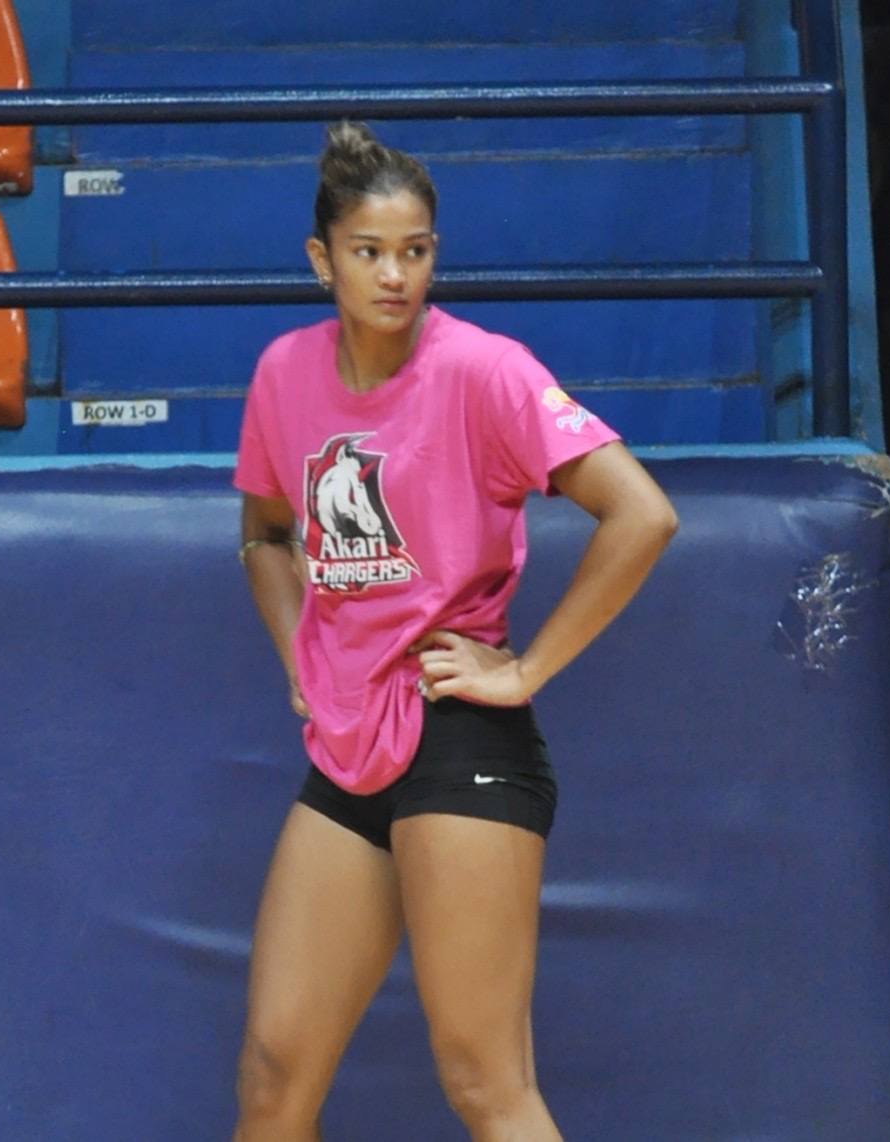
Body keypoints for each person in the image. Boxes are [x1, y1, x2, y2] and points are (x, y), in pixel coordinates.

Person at [232, 120, 678, 1142]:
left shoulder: (485, 369)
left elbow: (642, 514)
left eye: (416, 250)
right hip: (347, 748)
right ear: (321, 259)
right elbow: (263, 534)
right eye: (368, 251)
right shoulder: (284, 373)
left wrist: (525, 669)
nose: (395, 275)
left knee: (485, 1080)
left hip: (459, 738)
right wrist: (299, 650)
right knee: (273, 1074)